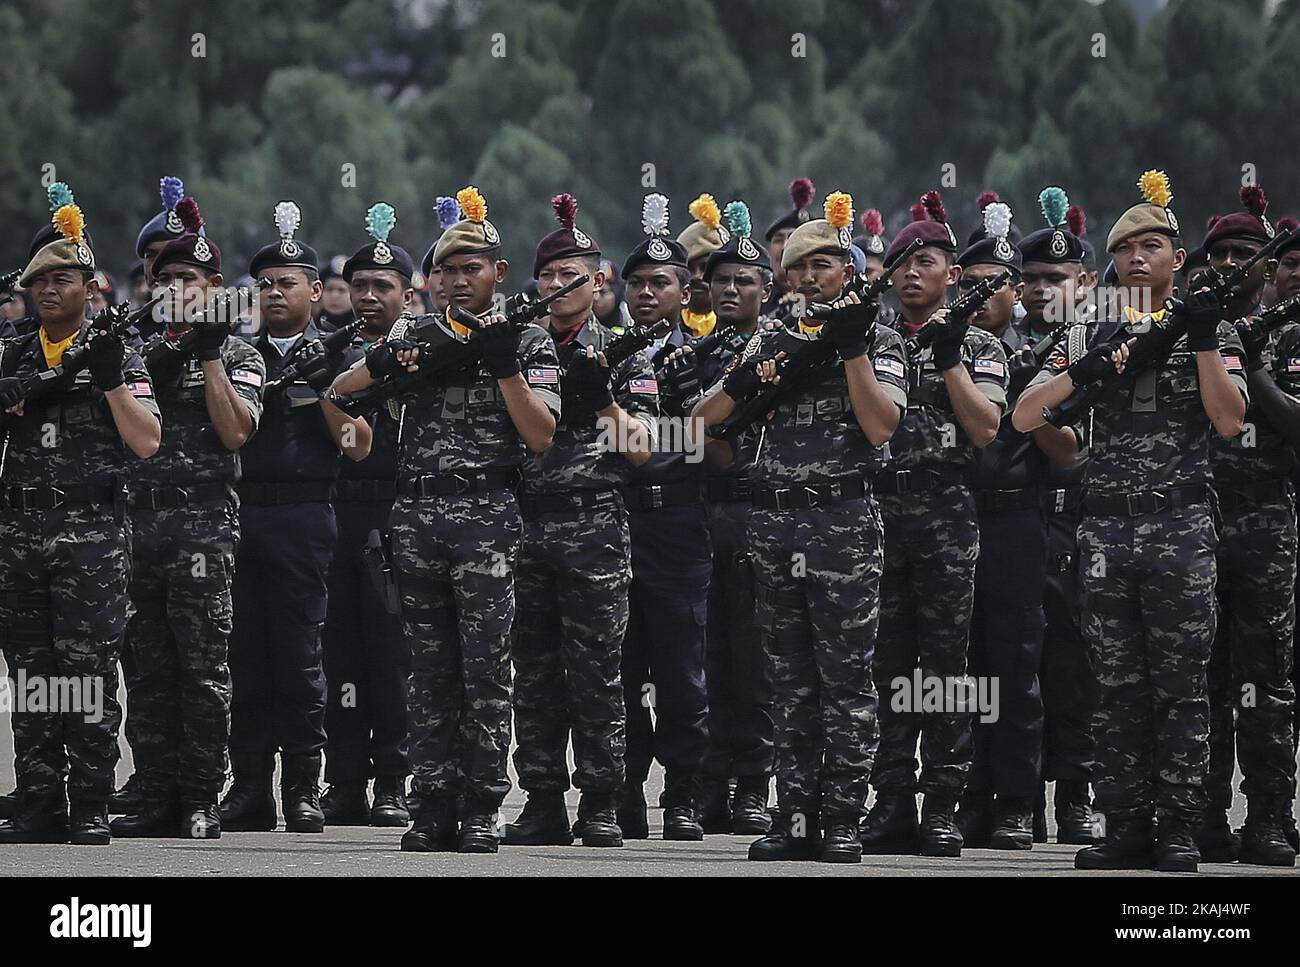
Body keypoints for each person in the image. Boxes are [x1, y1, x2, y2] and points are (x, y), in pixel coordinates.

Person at [1014, 170, 1248, 873]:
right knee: (1114, 688)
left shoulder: (1213, 324)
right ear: (1111, 262)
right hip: (1107, 532)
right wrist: (1091, 368)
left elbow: (1230, 419)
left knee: (1180, 690)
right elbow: (1025, 415)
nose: (1138, 258)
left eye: (1153, 246)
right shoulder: (1093, 325)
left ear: (1179, 258)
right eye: (1126, 249)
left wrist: (1202, 338)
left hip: (1179, 530)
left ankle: (1178, 827)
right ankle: (1125, 823)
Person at [330, 186, 560, 854]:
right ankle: (431, 802)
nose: (459, 280)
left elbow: (541, 434)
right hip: (419, 513)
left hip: (488, 513)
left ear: (499, 273)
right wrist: (394, 363)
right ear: (429, 282)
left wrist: (503, 364)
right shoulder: (416, 337)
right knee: (428, 669)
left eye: (472, 268)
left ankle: (482, 803)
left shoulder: (528, 340)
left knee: (486, 668)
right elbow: (343, 394)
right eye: (447, 270)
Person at [693, 190, 907, 863]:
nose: (810, 276)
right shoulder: (773, 335)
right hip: (775, 522)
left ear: (847, 270)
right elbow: (706, 417)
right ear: (784, 277)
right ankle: (795, 813)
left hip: (843, 519)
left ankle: (842, 812)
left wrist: (849, 353)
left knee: (845, 677)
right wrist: (763, 369)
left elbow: (881, 424)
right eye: (800, 266)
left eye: (824, 264)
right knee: (786, 677)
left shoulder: (878, 336)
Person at [0, 193, 161, 845]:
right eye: (37, 281)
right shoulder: (13, 355)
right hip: (19, 532)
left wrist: (107, 380)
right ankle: (39, 797)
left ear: (89, 288)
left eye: (60, 278)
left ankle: (91, 799)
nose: (46, 289)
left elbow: (147, 439)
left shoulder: (116, 352)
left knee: (88, 671)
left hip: (91, 536)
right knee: (32, 675)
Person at [504, 193, 657, 847]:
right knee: (534, 675)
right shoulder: (510, 350)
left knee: (597, 671)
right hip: (527, 526)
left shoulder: (625, 353)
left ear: (600, 282)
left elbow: (648, 448)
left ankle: (602, 800)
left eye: (576, 274)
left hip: (595, 525)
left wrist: (602, 404)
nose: (561, 286)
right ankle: (541, 798)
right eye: (549, 276)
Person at [111, 199, 265, 840]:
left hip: (202, 524)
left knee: (202, 666)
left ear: (214, 290)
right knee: (145, 666)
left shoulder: (238, 351)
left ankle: (202, 794)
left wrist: (208, 358)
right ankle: (154, 787)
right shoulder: (131, 347)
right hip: (136, 524)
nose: (176, 292)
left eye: (190, 283)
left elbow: (236, 433)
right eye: (165, 281)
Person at [861, 190, 1008, 858]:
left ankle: (944, 804)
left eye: (928, 260)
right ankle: (890, 801)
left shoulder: (979, 343)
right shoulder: (870, 339)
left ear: (953, 273)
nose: (913, 271)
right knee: (885, 663)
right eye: (903, 261)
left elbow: (985, 428)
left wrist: (949, 359)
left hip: (946, 514)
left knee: (946, 666)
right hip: (877, 514)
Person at [220, 201, 372, 835]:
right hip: (240, 512)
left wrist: (326, 392)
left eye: (287, 282)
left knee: (301, 656)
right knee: (244, 656)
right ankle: (250, 783)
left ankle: (304, 787)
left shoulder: (342, 353)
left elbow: (357, 445)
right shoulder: (233, 352)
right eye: (265, 284)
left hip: (306, 514)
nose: (275, 293)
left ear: (316, 290)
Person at [667, 200, 774, 835]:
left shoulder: (783, 351)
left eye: (745, 280)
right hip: (696, 512)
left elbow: (721, 438)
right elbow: (680, 440)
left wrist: (700, 421)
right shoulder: (688, 358)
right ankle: (708, 784)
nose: (730, 288)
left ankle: (754, 784)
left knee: (755, 658)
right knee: (698, 655)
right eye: (722, 279)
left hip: (758, 513)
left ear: (768, 289)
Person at [1200, 186, 1298, 867]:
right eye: (1220, 255)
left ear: (1266, 269)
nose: (1232, 265)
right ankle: (1201, 817)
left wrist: (1256, 360)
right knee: (1197, 680)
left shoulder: (1289, 333)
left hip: (1265, 521)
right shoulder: (1191, 327)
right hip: (1193, 525)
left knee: (1265, 680)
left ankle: (1268, 816)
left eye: (1244, 255)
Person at [617, 193, 711, 841]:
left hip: (678, 523)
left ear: (685, 289)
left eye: (660, 282)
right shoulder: (603, 352)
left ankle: (683, 794)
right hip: (616, 523)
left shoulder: (706, 356)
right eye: (638, 283)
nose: (647, 293)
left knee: (681, 670)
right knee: (616, 668)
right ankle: (622, 789)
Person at [318, 204, 415, 828]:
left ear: (409, 294)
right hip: (337, 516)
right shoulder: (329, 353)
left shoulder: (425, 351)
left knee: (393, 655)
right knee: (338, 654)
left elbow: (370, 442)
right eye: (360, 286)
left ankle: (393, 780)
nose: (369, 296)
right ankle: (345, 780)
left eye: (383, 286)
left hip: (399, 511)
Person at [954, 200, 1046, 849]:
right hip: (952, 520)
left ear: (1016, 290)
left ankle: (1017, 799)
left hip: (1015, 521)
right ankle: (968, 792)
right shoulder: (941, 353)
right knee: (959, 667)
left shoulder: (1038, 353)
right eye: (972, 282)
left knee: (1014, 663)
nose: (982, 293)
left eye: (996, 282)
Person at [1015, 189, 1100, 845]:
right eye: (1033, 278)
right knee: (1014, 665)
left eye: (1057, 278)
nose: (1043, 289)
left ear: (1087, 281)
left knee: (1076, 666)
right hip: (1013, 522)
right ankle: (1013, 798)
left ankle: (1075, 791)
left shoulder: (1108, 343)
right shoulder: (1002, 343)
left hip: (1081, 520)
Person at [676, 193, 729, 338]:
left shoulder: (751, 330)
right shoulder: (662, 333)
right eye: (689, 269)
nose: (697, 276)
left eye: (705, 268)